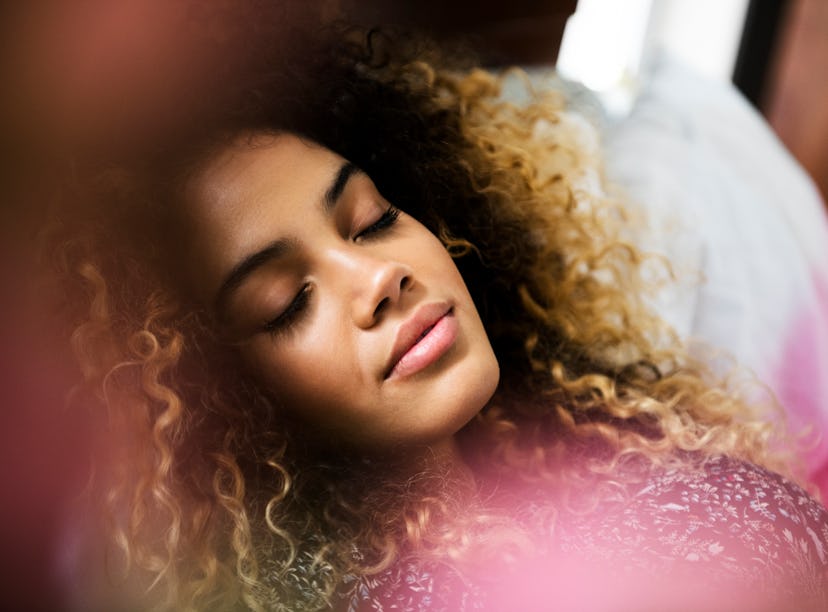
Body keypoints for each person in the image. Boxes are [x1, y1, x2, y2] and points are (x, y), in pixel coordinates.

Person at [49, 27, 828, 611]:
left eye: (372, 219)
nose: (380, 277)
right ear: (218, 406)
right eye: (288, 303)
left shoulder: (606, 444)